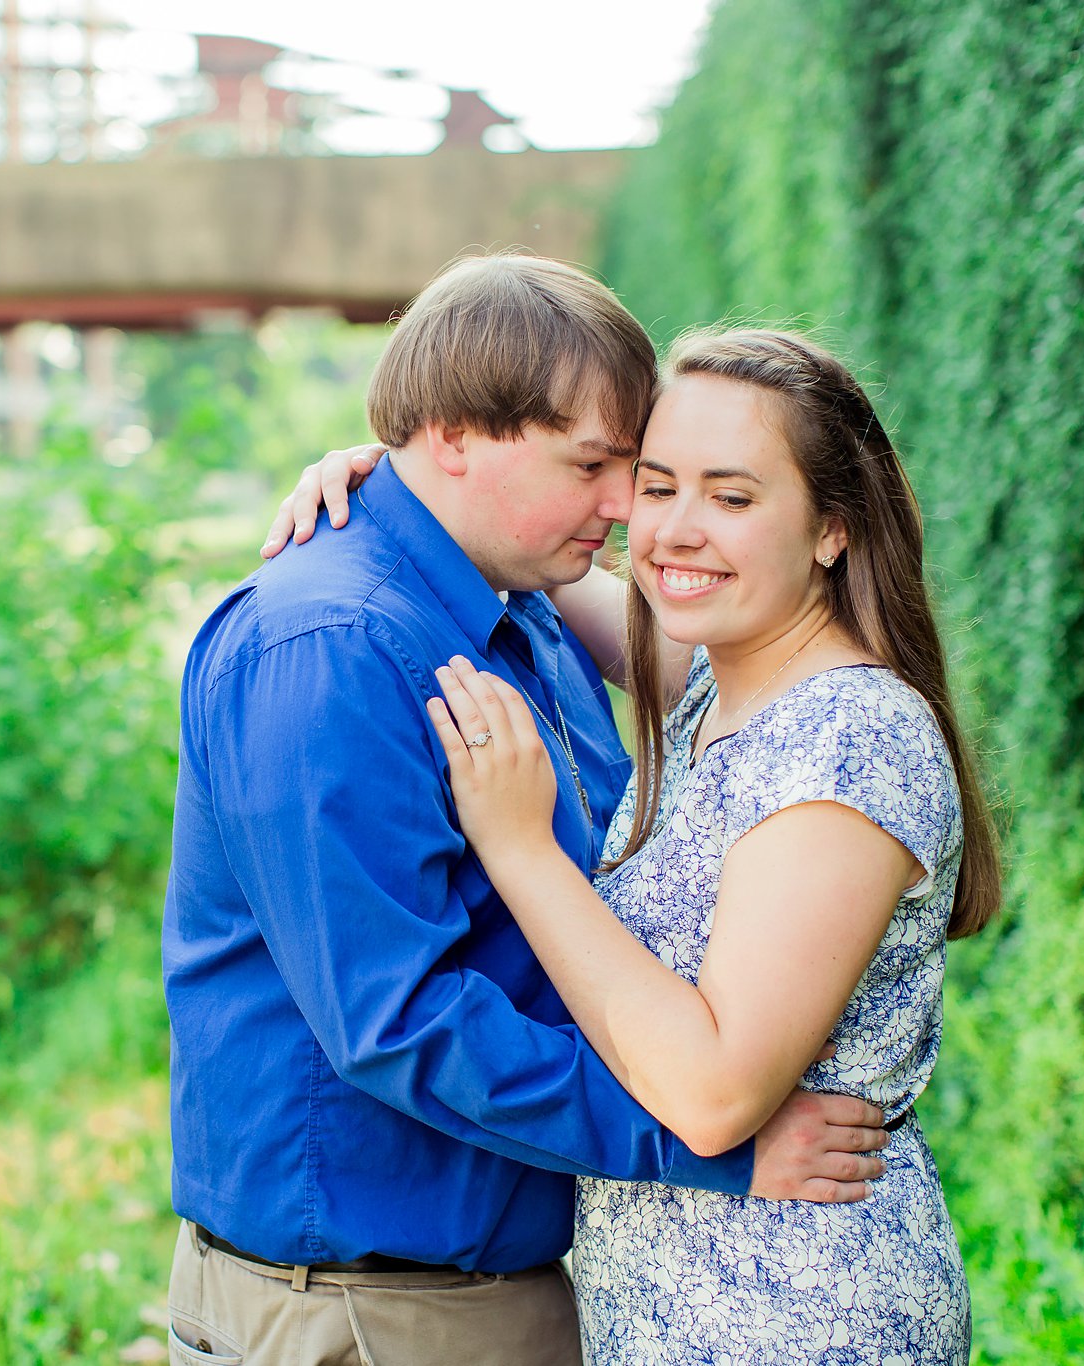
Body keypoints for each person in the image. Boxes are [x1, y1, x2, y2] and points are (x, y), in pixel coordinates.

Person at [165, 255, 894, 1366]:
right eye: (595, 466)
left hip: (489, 1292)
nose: (625, 510)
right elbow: (396, 1019)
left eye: (633, 469)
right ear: (453, 435)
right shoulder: (331, 648)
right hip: (368, 1311)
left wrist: (392, 479)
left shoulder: (520, 607)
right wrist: (706, 1145)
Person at [274, 327, 999, 1363]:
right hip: (682, 1305)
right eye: (654, 486)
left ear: (831, 527)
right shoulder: (726, 681)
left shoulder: (847, 741)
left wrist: (522, 849)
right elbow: (532, 560)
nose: (671, 530)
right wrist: (399, 486)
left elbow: (711, 1094)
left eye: (732, 497)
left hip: (791, 1317)